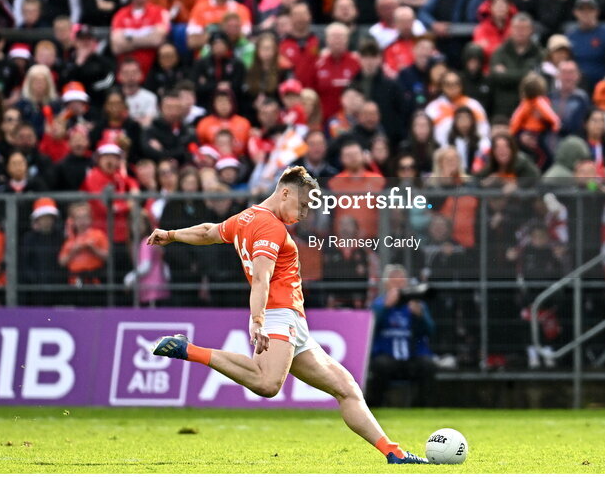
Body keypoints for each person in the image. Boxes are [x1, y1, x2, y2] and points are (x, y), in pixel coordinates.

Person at [148, 166, 430, 464]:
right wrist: (257, 321)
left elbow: (208, 232)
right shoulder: (270, 227)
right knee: (267, 384)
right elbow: (261, 277)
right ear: (285, 192)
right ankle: (187, 349)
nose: (306, 212)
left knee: (347, 389)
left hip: (294, 322)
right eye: (304, 204)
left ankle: (393, 453)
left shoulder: (245, 218)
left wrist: (171, 234)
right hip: (277, 315)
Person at [368, 264, 436, 408]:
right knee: (380, 365)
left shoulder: (416, 305)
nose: (398, 282)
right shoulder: (378, 304)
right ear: (386, 283)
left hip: (411, 357)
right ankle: (374, 407)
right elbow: (369, 329)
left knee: (428, 365)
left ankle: (423, 408)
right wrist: (385, 307)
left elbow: (429, 331)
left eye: (401, 279)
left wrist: (420, 316)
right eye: (394, 278)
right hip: (388, 358)